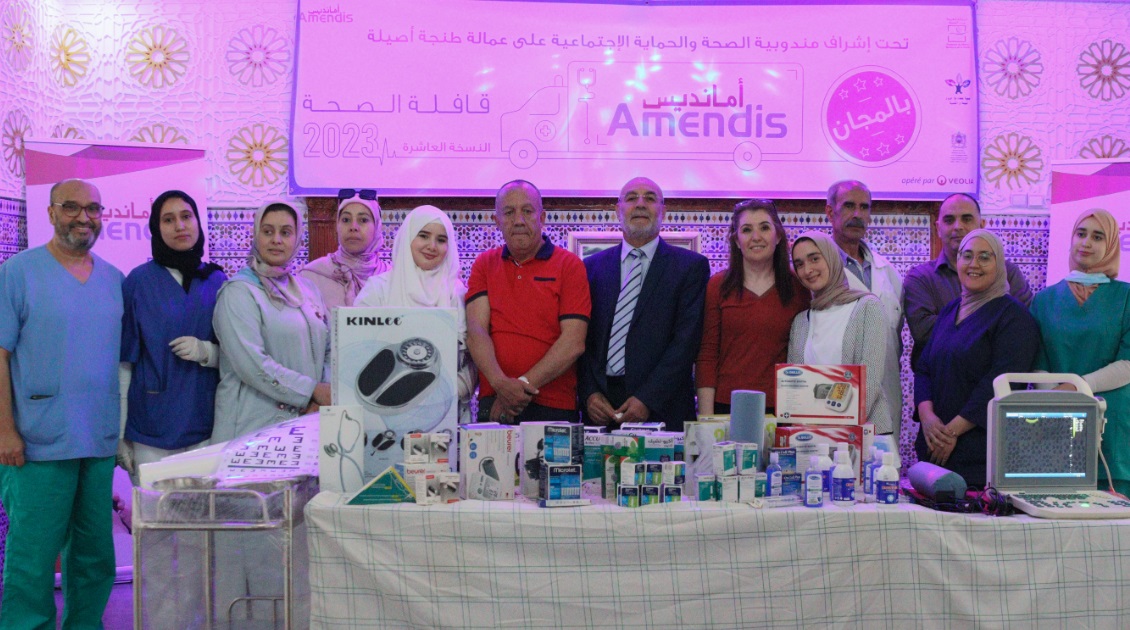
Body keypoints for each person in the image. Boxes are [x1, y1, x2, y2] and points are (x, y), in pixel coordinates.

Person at [0, 179, 123, 627]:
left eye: (93, 208)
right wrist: (5, 430)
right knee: (32, 559)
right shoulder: (18, 272)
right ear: (51, 213)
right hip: (37, 441)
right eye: (71, 207)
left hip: (97, 440)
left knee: (94, 557)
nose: (83, 217)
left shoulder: (114, 280)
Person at [576, 177, 709, 432]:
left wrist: (647, 399)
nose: (640, 204)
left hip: (663, 409)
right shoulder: (590, 268)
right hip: (601, 411)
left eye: (649, 198)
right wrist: (589, 393)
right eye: (631, 198)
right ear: (618, 210)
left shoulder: (690, 267)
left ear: (663, 211)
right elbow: (581, 340)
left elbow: (686, 343)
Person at [913, 229, 1039, 487]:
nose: (974, 264)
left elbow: (1000, 383)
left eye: (984, 257)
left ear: (999, 264)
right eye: (967, 255)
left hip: (980, 458)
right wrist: (927, 418)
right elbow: (924, 367)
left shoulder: (1014, 318)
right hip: (933, 450)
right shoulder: (950, 310)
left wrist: (951, 432)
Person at [119, 190, 226, 485]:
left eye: (186, 216)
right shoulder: (138, 282)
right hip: (150, 428)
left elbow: (238, 355)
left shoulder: (217, 281)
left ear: (198, 222)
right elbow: (125, 363)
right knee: (155, 512)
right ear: (156, 228)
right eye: (168, 219)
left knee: (202, 512)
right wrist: (120, 433)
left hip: (206, 424)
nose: (180, 226)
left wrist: (208, 352)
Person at [466, 180, 590, 423]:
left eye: (527, 211)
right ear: (496, 221)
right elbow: (476, 331)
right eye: (509, 212)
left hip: (553, 404)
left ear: (541, 217)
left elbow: (574, 342)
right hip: (495, 401)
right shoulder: (484, 264)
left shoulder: (570, 266)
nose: (519, 220)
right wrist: (501, 385)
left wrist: (520, 387)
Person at [211, 200, 332, 444]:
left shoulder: (308, 290)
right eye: (268, 232)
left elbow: (329, 349)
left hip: (304, 421)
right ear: (256, 236)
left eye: (285, 232)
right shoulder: (239, 292)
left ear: (298, 239)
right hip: (250, 427)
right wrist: (312, 391)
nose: (276, 240)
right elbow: (252, 365)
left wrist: (321, 397)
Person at [1031, 209, 1130, 496]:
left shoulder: (1126, 297)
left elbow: (1128, 363)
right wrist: (1058, 400)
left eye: (1097, 237)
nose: (1086, 242)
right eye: (1081, 233)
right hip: (1057, 418)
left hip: (1111, 425)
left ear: (1110, 245)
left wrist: (1076, 387)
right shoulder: (1044, 300)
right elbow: (1037, 364)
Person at [356, 204, 477, 422]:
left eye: (441, 240)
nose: (432, 246)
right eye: (423, 236)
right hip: (384, 411)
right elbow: (358, 349)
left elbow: (474, 359)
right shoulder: (378, 289)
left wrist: (447, 393)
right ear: (407, 238)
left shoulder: (458, 293)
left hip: (446, 414)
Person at [697, 199, 810, 415]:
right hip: (727, 407)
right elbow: (707, 355)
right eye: (747, 230)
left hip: (782, 408)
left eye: (764, 228)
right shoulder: (717, 286)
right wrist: (706, 419)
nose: (756, 237)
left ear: (778, 236)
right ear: (736, 240)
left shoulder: (799, 287)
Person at [903, 192, 1032, 365]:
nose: (958, 226)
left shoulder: (1009, 273)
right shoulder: (920, 278)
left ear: (982, 225)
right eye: (949, 220)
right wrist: (994, 326)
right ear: (938, 228)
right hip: (938, 377)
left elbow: (1022, 326)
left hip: (998, 376)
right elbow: (924, 333)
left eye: (967, 219)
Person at [787, 231, 893, 434]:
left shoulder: (867, 307)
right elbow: (796, 388)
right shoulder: (801, 322)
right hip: (814, 438)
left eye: (815, 258)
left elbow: (869, 380)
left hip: (866, 436)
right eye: (799, 264)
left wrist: (836, 429)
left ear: (832, 257)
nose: (808, 270)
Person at [825, 180, 904, 434]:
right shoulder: (815, 271)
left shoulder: (888, 273)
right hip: (834, 398)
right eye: (849, 206)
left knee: (885, 458)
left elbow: (895, 340)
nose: (858, 214)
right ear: (830, 212)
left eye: (864, 207)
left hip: (885, 397)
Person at [299, 188, 389, 310]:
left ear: (377, 227)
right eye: (346, 220)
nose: (353, 227)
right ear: (337, 225)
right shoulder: (312, 276)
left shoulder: (391, 278)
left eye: (363, 220)